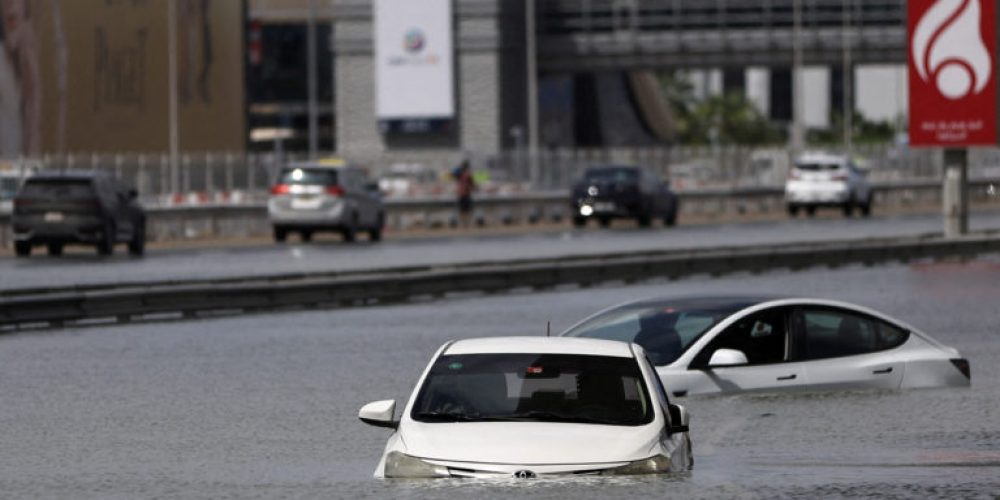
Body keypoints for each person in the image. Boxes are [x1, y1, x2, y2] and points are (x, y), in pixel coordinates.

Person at [454, 159, 476, 227]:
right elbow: (472, 184)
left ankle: (464, 224)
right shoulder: (467, 174)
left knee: (462, 210)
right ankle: (466, 224)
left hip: (461, 193)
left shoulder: (459, 174)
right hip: (466, 193)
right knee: (467, 210)